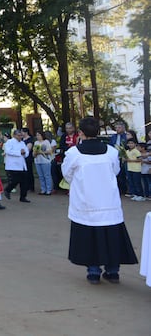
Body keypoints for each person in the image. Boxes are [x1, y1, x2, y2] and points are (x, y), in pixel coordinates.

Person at [62, 117, 137, 284]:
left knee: (89, 236)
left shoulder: (74, 153)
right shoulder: (110, 151)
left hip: (86, 201)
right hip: (108, 201)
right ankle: (113, 271)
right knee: (111, 235)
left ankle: (93, 271)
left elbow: (67, 174)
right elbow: (115, 171)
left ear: (80, 133)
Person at [3, 130, 31, 203]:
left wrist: (24, 153)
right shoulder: (9, 142)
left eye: (21, 135)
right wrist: (19, 152)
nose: (20, 137)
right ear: (14, 135)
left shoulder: (22, 143)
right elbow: (8, 151)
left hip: (22, 165)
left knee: (24, 182)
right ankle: (7, 190)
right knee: (15, 180)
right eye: (18, 135)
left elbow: (26, 152)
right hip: (13, 165)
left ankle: (23, 197)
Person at [108, 122, 128, 195]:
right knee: (116, 173)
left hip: (123, 156)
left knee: (123, 173)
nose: (117, 129)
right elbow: (110, 145)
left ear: (123, 128)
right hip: (115, 156)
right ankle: (117, 189)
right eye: (116, 128)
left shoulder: (126, 136)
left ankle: (124, 189)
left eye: (119, 128)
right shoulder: (113, 136)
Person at [33, 131, 54, 195]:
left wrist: (42, 152)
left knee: (47, 175)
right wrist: (35, 153)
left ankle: (49, 189)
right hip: (38, 161)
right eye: (37, 135)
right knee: (41, 176)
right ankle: (43, 189)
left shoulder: (46, 142)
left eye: (39, 135)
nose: (38, 137)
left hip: (45, 161)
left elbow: (50, 151)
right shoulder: (36, 142)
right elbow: (34, 152)